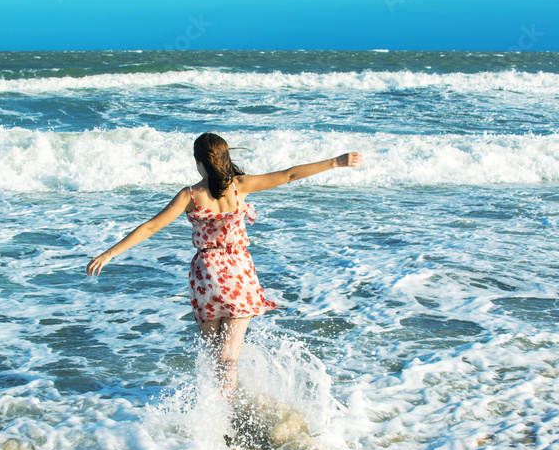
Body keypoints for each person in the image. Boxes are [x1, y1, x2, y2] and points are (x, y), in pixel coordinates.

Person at [87, 132, 361, 400]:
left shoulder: (190, 195)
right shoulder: (238, 186)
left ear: (198, 162)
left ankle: (216, 412)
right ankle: (227, 415)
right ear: (225, 158)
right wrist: (336, 162)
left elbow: (151, 227)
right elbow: (289, 175)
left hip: (205, 277)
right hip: (238, 273)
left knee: (215, 355)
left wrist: (109, 254)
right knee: (229, 357)